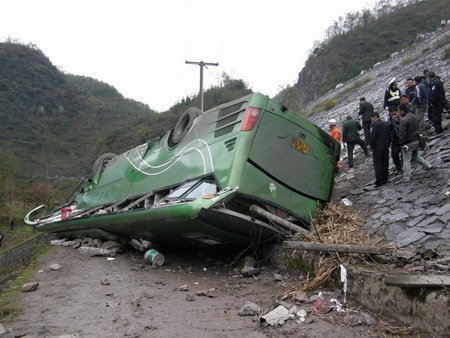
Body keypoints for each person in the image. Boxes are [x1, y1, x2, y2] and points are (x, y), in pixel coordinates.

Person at [398, 104, 432, 182]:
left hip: (409, 142)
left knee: (406, 159)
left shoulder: (403, 120)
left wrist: (402, 144)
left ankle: (407, 177)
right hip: (416, 141)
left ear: (402, 111)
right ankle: (427, 164)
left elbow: (402, 133)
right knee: (415, 155)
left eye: (399, 111)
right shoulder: (413, 116)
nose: (399, 112)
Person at [370, 112, 391, 187]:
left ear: (375, 117)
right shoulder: (386, 123)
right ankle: (385, 178)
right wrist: (388, 144)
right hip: (385, 145)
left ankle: (379, 180)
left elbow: (373, 137)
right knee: (385, 162)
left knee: (378, 163)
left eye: (372, 119)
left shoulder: (375, 125)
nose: (372, 121)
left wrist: (372, 146)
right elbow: (389, 135)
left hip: (378, 146)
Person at [389, 108, 403, 174]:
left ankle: (404, 166)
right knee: (394, 155)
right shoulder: (390, 120)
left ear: (397, 112)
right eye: (391, 115)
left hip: (402, 139)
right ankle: (399, 167)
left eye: (394, 114)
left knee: (404, 154)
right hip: (395, 140)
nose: (393, 116)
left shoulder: (402, 119)